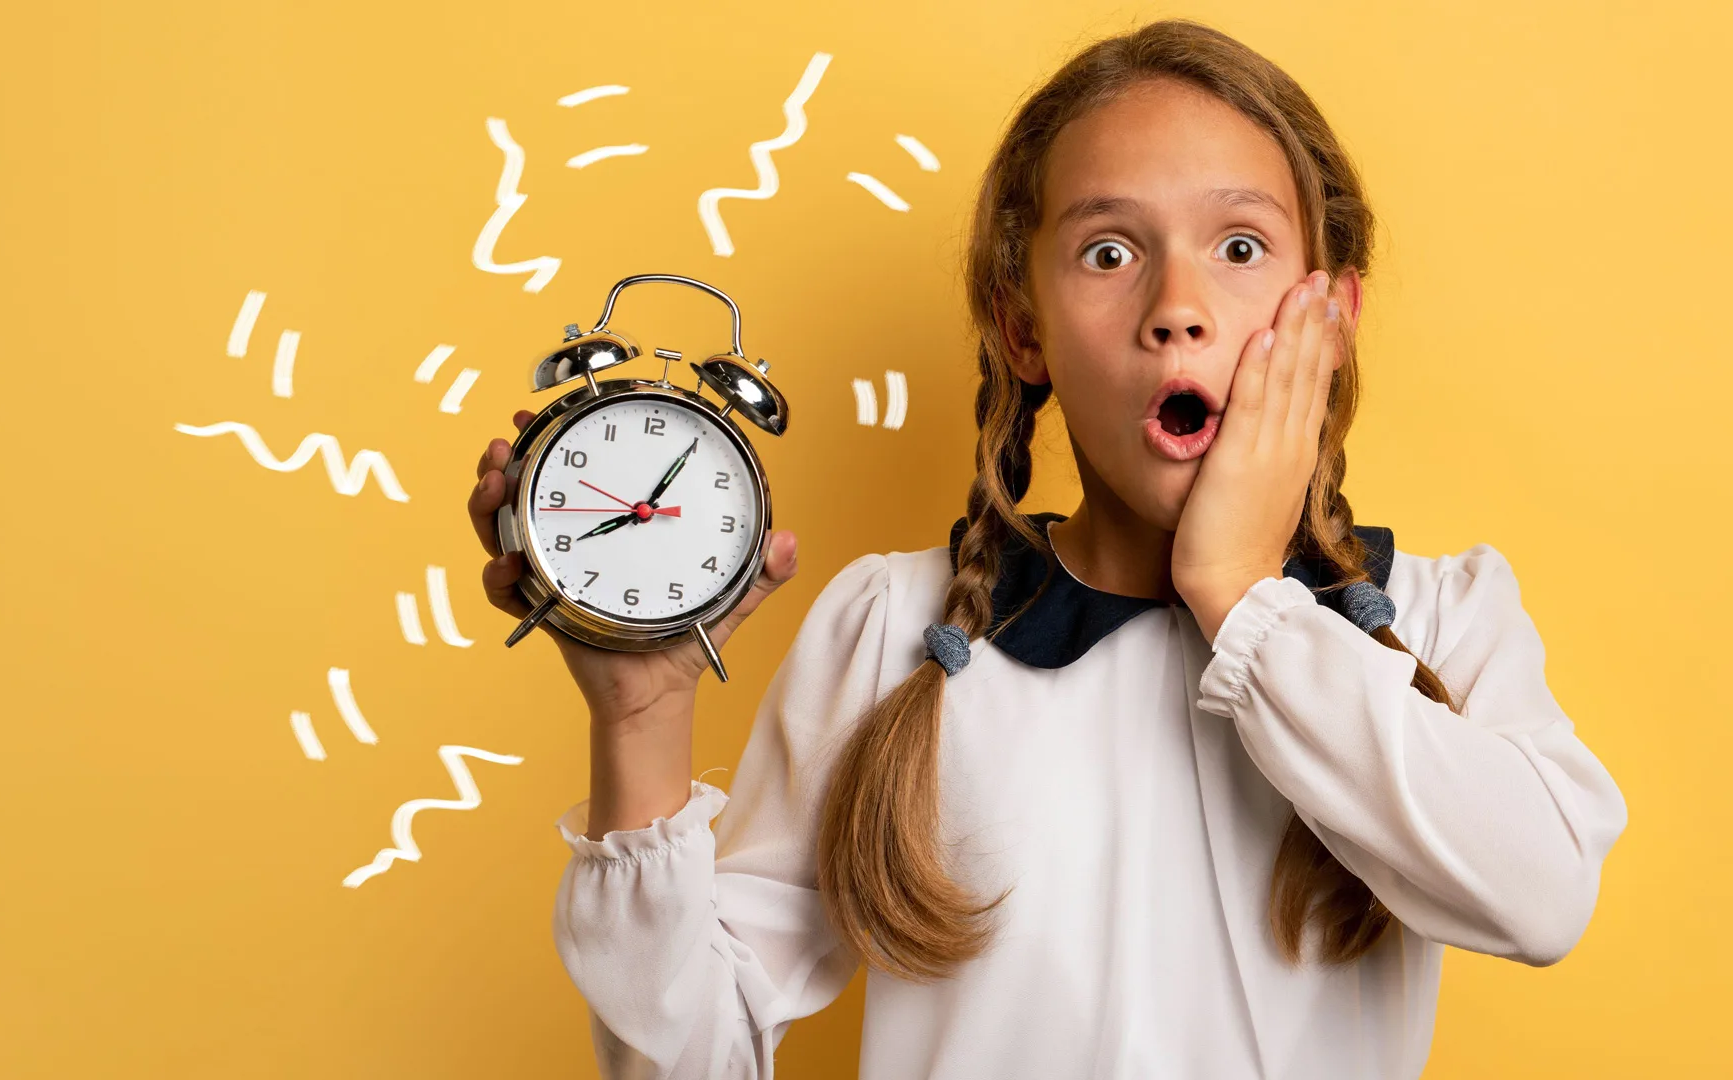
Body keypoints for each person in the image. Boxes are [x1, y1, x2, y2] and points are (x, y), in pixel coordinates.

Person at [465, 18, 1627, 1079]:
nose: (1178, 306)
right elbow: (687, 1060)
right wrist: (639, 723)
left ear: (1330, 313)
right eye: (1110, 254)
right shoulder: (893, 633)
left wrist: (1238, 593)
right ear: (1024, 330)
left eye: (1239, 247)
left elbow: (1542, 897)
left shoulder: (1444, 619)